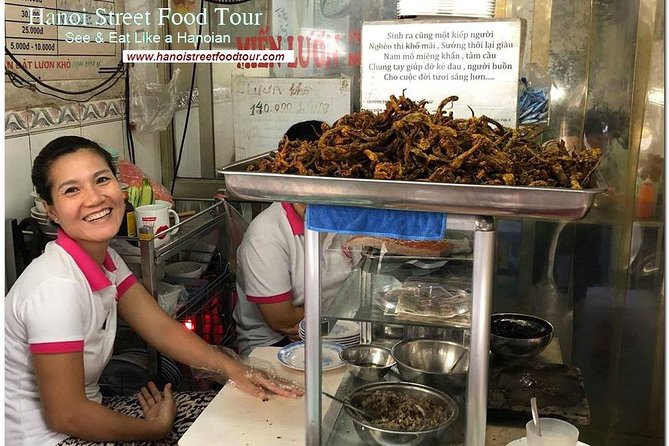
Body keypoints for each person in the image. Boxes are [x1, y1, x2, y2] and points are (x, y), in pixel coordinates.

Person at [5, 136, 303, 446]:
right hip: (51, 438)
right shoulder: (57, 288)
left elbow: (160, 327)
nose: (94, 198)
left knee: (244, 418)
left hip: (90, 413)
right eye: (72, 190)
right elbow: (66, 416)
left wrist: (236, 370)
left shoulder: (106, 259)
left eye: (102, 180)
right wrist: (155, 430)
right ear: (51, 210)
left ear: (119, 188)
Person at [233, 122, 356, 356]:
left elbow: (362, 281)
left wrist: (314, 319)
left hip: (331, 335)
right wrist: (343, 318)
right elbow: (281, 321)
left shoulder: (341, 216)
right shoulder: (266, 234)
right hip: (271, 347)